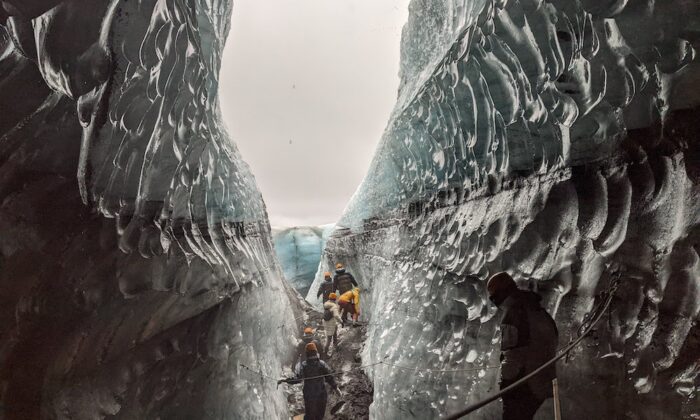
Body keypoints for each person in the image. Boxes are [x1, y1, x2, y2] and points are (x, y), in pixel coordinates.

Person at [487, 272, 559, 420]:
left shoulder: (513, 311)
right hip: (543, 380)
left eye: (492, 296)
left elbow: (512, 356)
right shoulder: (537, 309)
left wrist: (505, 386)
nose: (493, 301)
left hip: (525, 383)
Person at [280, 343, 339, 420]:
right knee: (320, 415)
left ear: (307, 353)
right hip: (321, 394)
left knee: (309, 416)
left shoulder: (304, 365)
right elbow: (329, 377)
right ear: (316, 352)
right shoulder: (321, 364)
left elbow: (297, 379)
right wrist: (336, 388)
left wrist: (285, 380)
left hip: (309, 395)